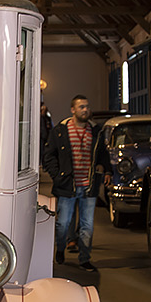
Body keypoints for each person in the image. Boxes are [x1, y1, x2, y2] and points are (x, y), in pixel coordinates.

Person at [42, 94, 108, 272]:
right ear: (73, 110)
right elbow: (49, 155)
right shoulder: (61, 131)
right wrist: (57, 176)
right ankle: (61, 249)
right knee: (63, 223)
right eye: (81, 107)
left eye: (87, 106)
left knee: (87, 226)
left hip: (89, 186)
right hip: (67, 186)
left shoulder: (95, 130)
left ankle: (84, 259)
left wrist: (105, 169)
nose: (85, 109)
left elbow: (102, 153)